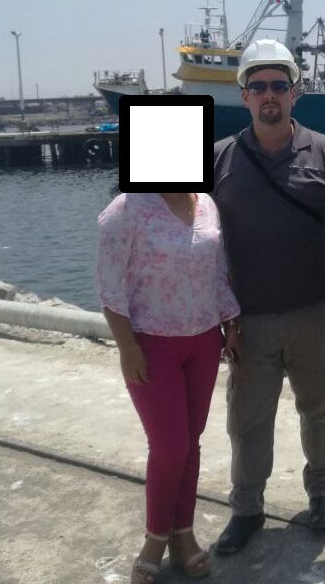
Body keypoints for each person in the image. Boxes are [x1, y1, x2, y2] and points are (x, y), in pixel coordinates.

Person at [209, 38, 325, 554]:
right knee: (247, 420)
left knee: (320, 411)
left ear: (294, 92)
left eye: (279, 85)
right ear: (244, 95)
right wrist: (220, 317)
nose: (269, 95)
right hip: (248, 319)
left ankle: (321, 496)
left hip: (313, 310)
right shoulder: (220, 158)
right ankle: (246, 508)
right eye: (259, 86)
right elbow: (200, 244)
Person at [96, 191, 241, 584]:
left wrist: (231, 324)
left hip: (204, 340)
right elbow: (109, 285)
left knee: (190, 441)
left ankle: (184, 534)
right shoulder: (125, 210)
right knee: (169, 446)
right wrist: (126, 345)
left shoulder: (208, 204)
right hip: (151, 343)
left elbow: (218, 271)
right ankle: (155, 540)